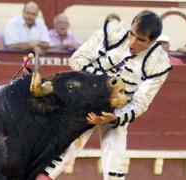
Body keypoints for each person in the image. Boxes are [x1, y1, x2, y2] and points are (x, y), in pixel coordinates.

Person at [38, 10, 172, 180]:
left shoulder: (158, 62)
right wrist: (102, 83)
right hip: (86, 102)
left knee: (115, 165)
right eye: (132, 34)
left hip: (116, 111)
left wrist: (114, 118)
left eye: (140, 40)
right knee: (62, 154)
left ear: (152, 42)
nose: (132, 42)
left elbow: (140, 103)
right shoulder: (113, 32)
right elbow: (77, 59)